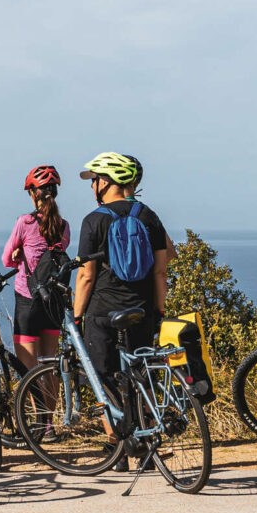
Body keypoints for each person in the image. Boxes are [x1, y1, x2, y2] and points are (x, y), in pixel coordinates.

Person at [72, 152, 171, 424]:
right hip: (141, 309)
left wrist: (77, 315)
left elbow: (86, 277)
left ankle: (117, 446)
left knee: (104, 380)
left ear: (105, 181)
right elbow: (161, 270)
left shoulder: (93, 220)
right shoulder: (148, 216)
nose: (92, 186)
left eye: (94, 180)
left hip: (103, 311)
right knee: (141, 373)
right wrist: (159, 309)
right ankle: (149, 432)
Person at [3, 164, 69, 371]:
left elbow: (6, 260)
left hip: (27, 300)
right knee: (50, 365)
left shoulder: (25, 222)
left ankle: (32, 405)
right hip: (53, 300)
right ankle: (55, 406)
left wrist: (19, 254)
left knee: (28, 369)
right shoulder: (63, 225)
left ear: (33, 193)